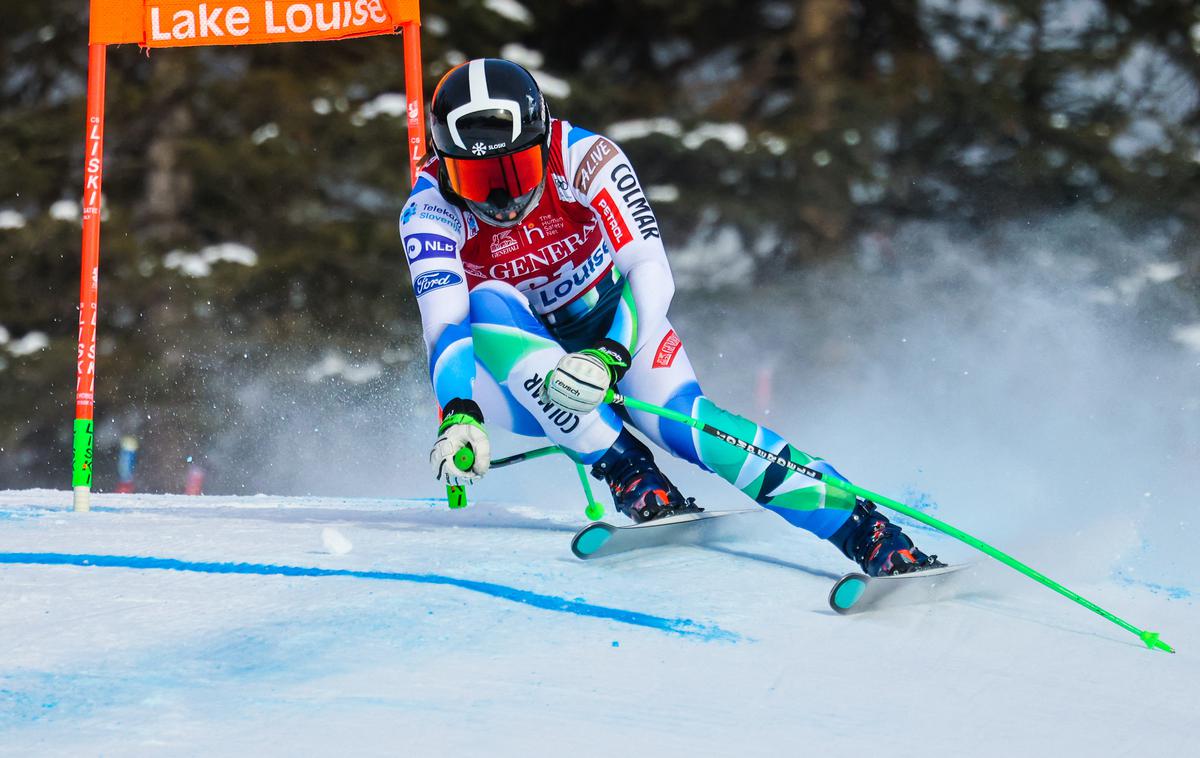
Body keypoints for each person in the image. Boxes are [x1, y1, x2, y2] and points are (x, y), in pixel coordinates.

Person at [401, 58, 940, 576]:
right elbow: (446, 324)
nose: (501, 199)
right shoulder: (427, 210)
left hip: (616, 328)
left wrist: (609, 356)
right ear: (446, 168)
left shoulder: (585, 157)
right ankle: (631, 474)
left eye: (515, 170)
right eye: (476, 180)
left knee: (692, 429)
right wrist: (459, 413)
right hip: (513, 372)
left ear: (542, 140)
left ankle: (869, 533)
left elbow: (650, 267)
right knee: (486, 299)